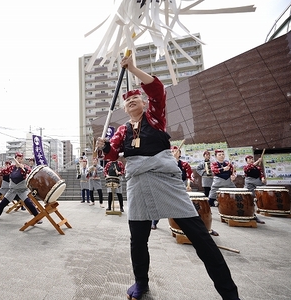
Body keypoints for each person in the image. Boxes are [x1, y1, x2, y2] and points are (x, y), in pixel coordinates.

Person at [96, 55, 239, 300]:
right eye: (127, 101)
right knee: (138, 239)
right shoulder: (122, 130)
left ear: (143, 101)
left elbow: (158, 90)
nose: (131, 101)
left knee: (199, 236)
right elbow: (110, 156)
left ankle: (229, 293)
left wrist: (132, 69)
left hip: (165, 178)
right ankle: (141, 282)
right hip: (138, 182)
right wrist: (104, 146)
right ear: (123, 108)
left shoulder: (155, 117)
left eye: (135, 98)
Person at [0, 153, 42, 224]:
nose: (19, 160)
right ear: (15, 159)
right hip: (12, 190)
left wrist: (24, 168)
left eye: (21, 159)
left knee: (29, 203)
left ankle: (38, 218)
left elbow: (30, 172)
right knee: (2, 203)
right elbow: (2, 173)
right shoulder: (11, 167)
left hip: (22, 190)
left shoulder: (25, 167)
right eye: (18, 159)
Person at [243, 155, 266, 224]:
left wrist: (262, 178)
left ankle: (260, 208)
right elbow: (250, 167)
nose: (251, 160)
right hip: (249, 183)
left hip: (257, 181)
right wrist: (258, 161)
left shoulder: (258, 167)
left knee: (262, 194)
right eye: (249, 159)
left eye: (252, 159)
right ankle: (250, 213)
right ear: (246, 161)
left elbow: (261, 173)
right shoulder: (246, 167)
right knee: (248, 197)